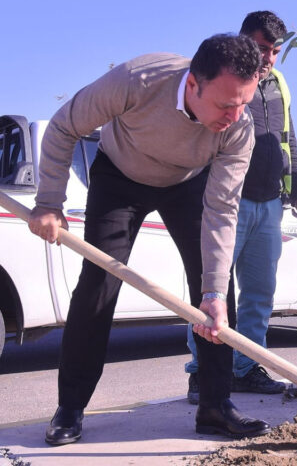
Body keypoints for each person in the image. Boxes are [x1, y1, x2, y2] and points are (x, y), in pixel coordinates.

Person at [28, 34, 272, 444]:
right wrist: (49, 202)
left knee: (215, 293)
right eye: (226, 105)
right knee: (98, 287)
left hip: (187, 183)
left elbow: (223, 210)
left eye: (244, 103)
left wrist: (213, 288)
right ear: (193, 84)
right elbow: (63, 126)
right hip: (120, 176)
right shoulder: (138, 79)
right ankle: (69, 408)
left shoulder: (238, 128)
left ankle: (215, 405)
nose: (235, 115)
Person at [185, 11, 297, 400]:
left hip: (270, 202)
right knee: (214, 292)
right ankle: (201, 373)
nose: (269, 57)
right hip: (227, 202)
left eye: (275, 50)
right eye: (261, 48)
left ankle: (247, 368)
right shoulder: (219, 74)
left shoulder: (279, 84)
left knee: (260, 293)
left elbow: (287, 136)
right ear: (243, 41)